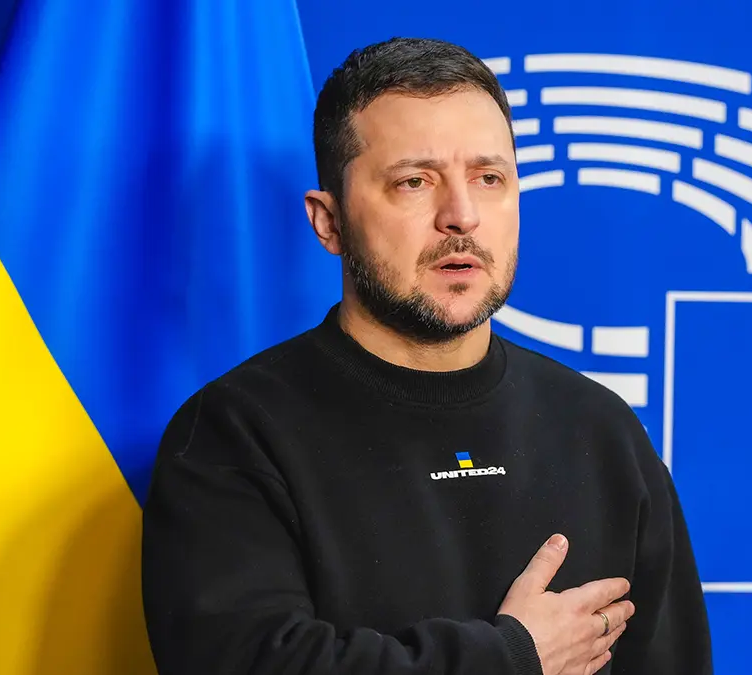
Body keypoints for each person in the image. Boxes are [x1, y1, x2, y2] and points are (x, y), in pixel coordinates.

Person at [140, 36, 713, 675]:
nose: (461, 216)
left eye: (489, 179)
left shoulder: (602, 430)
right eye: (414, 182)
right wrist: (512, 658)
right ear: (329, 222)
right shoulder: (233, 433)